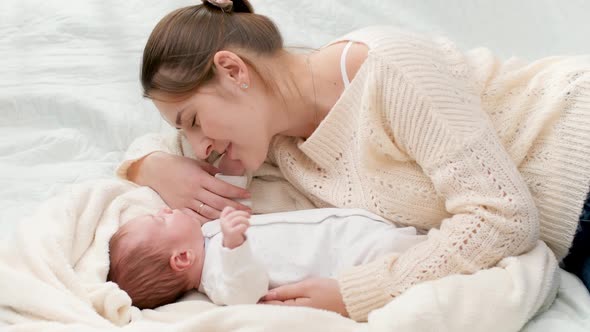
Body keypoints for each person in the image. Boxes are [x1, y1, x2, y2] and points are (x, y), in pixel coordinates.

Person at [117, 0, 590, 321]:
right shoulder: (271, 139)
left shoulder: (383, 69)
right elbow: (143, 148)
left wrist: (359, 292)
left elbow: (504, 217)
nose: (199, 148)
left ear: (234, 70)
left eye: (194, 120)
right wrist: (153, 166)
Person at [107, 206, 424, 309]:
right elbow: (245, 290)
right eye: (160, 220)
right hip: (352, 255)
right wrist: (234, 245)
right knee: (421, 257)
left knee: (421, 245)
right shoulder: (218, 276)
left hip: (346, 232)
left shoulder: (206, 235)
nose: (164, 210)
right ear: (182, 259)